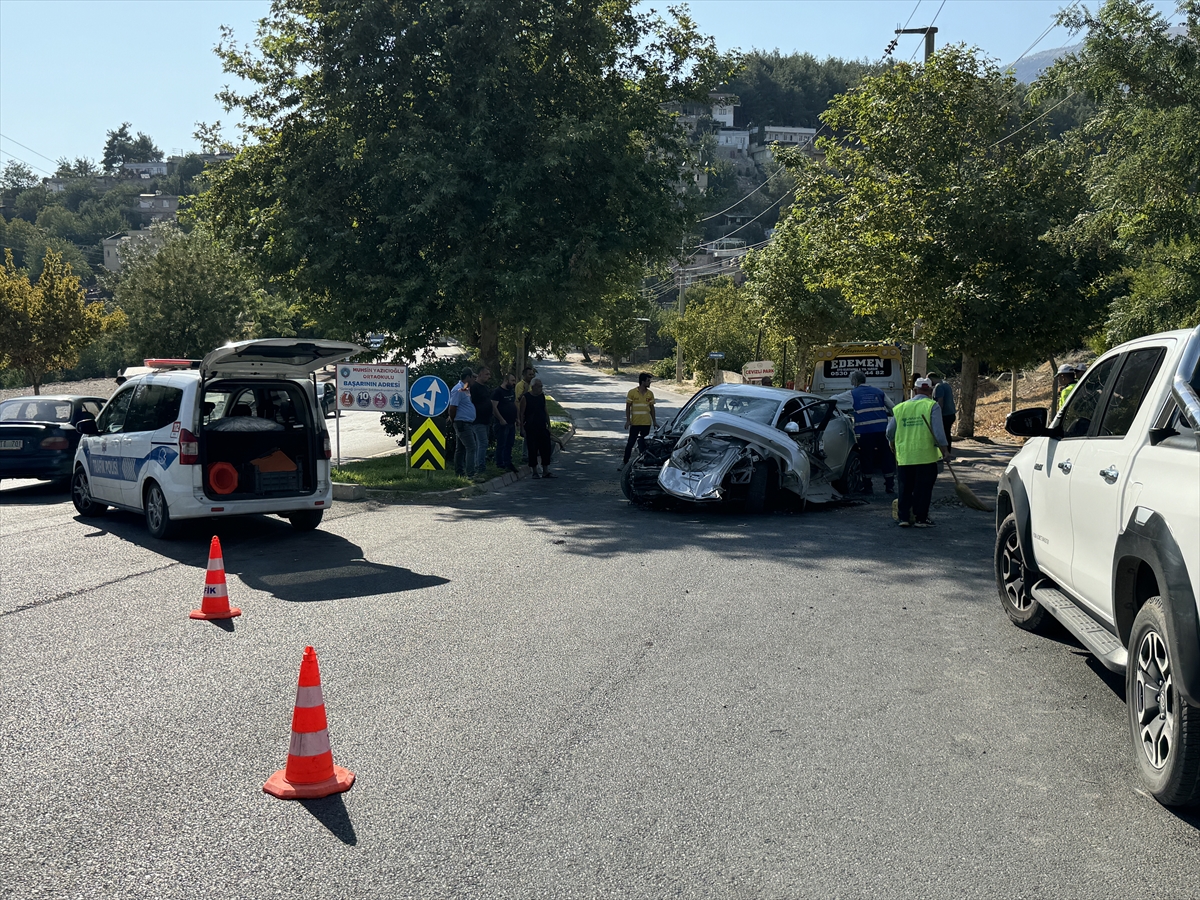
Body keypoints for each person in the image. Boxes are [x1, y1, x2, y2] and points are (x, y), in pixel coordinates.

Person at [887, 377, 949, 528]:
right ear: (930, 391)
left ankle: (903, 518)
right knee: (923, 488)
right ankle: (921, 518)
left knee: (905, 487)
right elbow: (938, 432)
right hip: (925, 456)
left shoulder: (900, 408)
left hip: (905, 456)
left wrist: (892, 443)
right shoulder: (932, 406)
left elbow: (889, 432)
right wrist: (945, 450)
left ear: (914, 390)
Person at [843, 369, 894, 494]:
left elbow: (835, 399)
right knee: (886, 456)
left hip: (865, 432)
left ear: (854, 381)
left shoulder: (852, 393)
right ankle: (889, 486)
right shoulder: (879, 392)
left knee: (867, 458)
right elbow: (893, 408)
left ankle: (868, 486)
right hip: (882, 430)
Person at [447, 368, 479, 477]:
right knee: (471, 447)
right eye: (473, 377)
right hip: (462, 423)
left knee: (460, 449)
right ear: (468, 377)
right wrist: (453, 420)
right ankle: (471, 474)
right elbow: (452, 407)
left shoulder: (465, 389)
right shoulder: (458, 389)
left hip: (465, 422)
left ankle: (459, 473)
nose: (475, 380)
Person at [519, 377, 554, 478]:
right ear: (533, 387)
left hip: (542, 426)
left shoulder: (541, 396)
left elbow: (545, 411)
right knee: (532, 449)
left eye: (541, 386)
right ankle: (534, 471)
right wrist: (522, 428)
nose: (541, 388)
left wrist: (549, 425)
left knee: (545, 448)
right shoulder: (526, 397)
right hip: (531, 427)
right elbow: (521, 414)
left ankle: (545, 470)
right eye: (539, 386)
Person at [623, 372, 656, 466]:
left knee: (644, 444)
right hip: (635, 423)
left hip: (646, 423)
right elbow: (628, 407)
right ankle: (625, 462)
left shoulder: (650, 394)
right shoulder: (632, 392)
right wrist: (628, 420)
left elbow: (652, 408)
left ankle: (644, 462)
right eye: (648, 381)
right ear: (642, 382)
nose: (649, 382)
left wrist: (654, 421)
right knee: (630, 443)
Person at [491, 372, 519, 473]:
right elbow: (494, 407)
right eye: (512, 381)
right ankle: (500, 464)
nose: (514, 383)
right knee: (501, 444)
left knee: (509, 443)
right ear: (506, 380)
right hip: (502, 423)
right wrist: (501, 419)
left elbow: (513, 404)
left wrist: (517, 418)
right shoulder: (497, 392)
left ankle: (508, 462)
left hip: (511, 422)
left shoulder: (511, 391)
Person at [469, 365, 494, 474]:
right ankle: (480, 466)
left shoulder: (485, 388)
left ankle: (479, 463)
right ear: (480, 374)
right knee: (482, 443)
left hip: (486, 420)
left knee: (482, 443)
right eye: (486, 374)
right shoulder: (474, 388)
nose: (489, 376)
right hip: (477, 420)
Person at [929, 372, 956, 450]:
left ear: (931, 379)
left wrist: (937, 415)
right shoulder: (946, 384)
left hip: (944, 415)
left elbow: (940, 402)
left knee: (942, 434)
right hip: (951, 413)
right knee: (947, 433)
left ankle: (944, 452)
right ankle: (948, 450)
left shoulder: (939, 386)